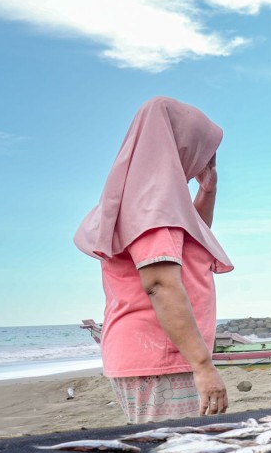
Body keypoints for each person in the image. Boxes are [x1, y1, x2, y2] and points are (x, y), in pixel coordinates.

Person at [74, 97, 233, 423]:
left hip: (155, 355)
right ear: (181, 146)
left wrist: (207, 192)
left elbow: (187, 246)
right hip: (159, 359)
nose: (207, 159)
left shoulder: (145, 195)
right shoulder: (152, 204)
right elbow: (160, 284)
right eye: (203, 150)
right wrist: (203, 366)